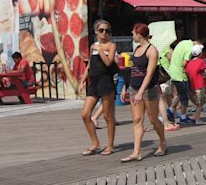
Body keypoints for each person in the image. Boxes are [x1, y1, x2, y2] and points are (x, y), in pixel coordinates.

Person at [121, 23, 166, 162]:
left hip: (148, 89)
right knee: (137, 120)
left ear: (139, 34)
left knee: (153, 119)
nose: (132, 35)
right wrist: (125, 87)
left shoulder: (152, 50)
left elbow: (150, 73)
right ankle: (136, 152)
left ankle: (162, 142)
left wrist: (141, 91)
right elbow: (132, 71)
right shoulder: (137, 49)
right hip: (134, 87)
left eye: (133, 33)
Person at [79, 20, 117, 156]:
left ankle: (110, 145)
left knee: (108, 116)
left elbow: (108, 62)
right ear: (96, 32)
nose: (104, 33)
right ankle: (95, 143)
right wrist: (82, 81)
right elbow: (89, 65)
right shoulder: (92, 46)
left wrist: (101, 50)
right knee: (85, 114)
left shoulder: (111, 45)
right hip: (93, 83)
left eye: (107, 31)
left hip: (106, 82)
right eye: (101, 30)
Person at [168, 39, 193, 124]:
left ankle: (170, 110)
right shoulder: (190, 48)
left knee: (179, 93)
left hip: (173, 72)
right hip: (180, 74)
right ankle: (183, 117)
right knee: (184, 96)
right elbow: (184, 63)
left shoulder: (182, 43)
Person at [185, 43, 206, 125]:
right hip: (200, 85)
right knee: (200, 104)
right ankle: (197, 119)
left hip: (192, 86)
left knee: (197, 102)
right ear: (200, 53)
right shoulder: (201, 62)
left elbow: (187, 72)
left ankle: (195, 117)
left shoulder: (189, 62)